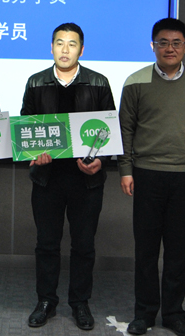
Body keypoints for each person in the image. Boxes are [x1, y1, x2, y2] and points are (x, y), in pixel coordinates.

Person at [118, 18, 185, 336]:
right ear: (153, 46)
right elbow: (125, 130)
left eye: (176, 43)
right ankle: (144, 314)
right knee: (146, 249)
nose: (170, 48)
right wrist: (125, 170)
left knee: (177, 250)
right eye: (163, 42)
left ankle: (174, 314)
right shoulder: (135, 81)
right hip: (146, 174)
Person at [21, 23, 115, 331]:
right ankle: (46, 301)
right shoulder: (36, 82)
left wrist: (100, 160)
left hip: (86, 181)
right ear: (51, 47)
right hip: (47, 178)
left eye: (71, 44)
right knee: (47, 244)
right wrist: (34, 152)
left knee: (83, 245)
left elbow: (108, 131)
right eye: (59, 43)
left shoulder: (98, 82)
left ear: (81, 50)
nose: (65, 49)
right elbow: (26, 126)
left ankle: (80, 303)